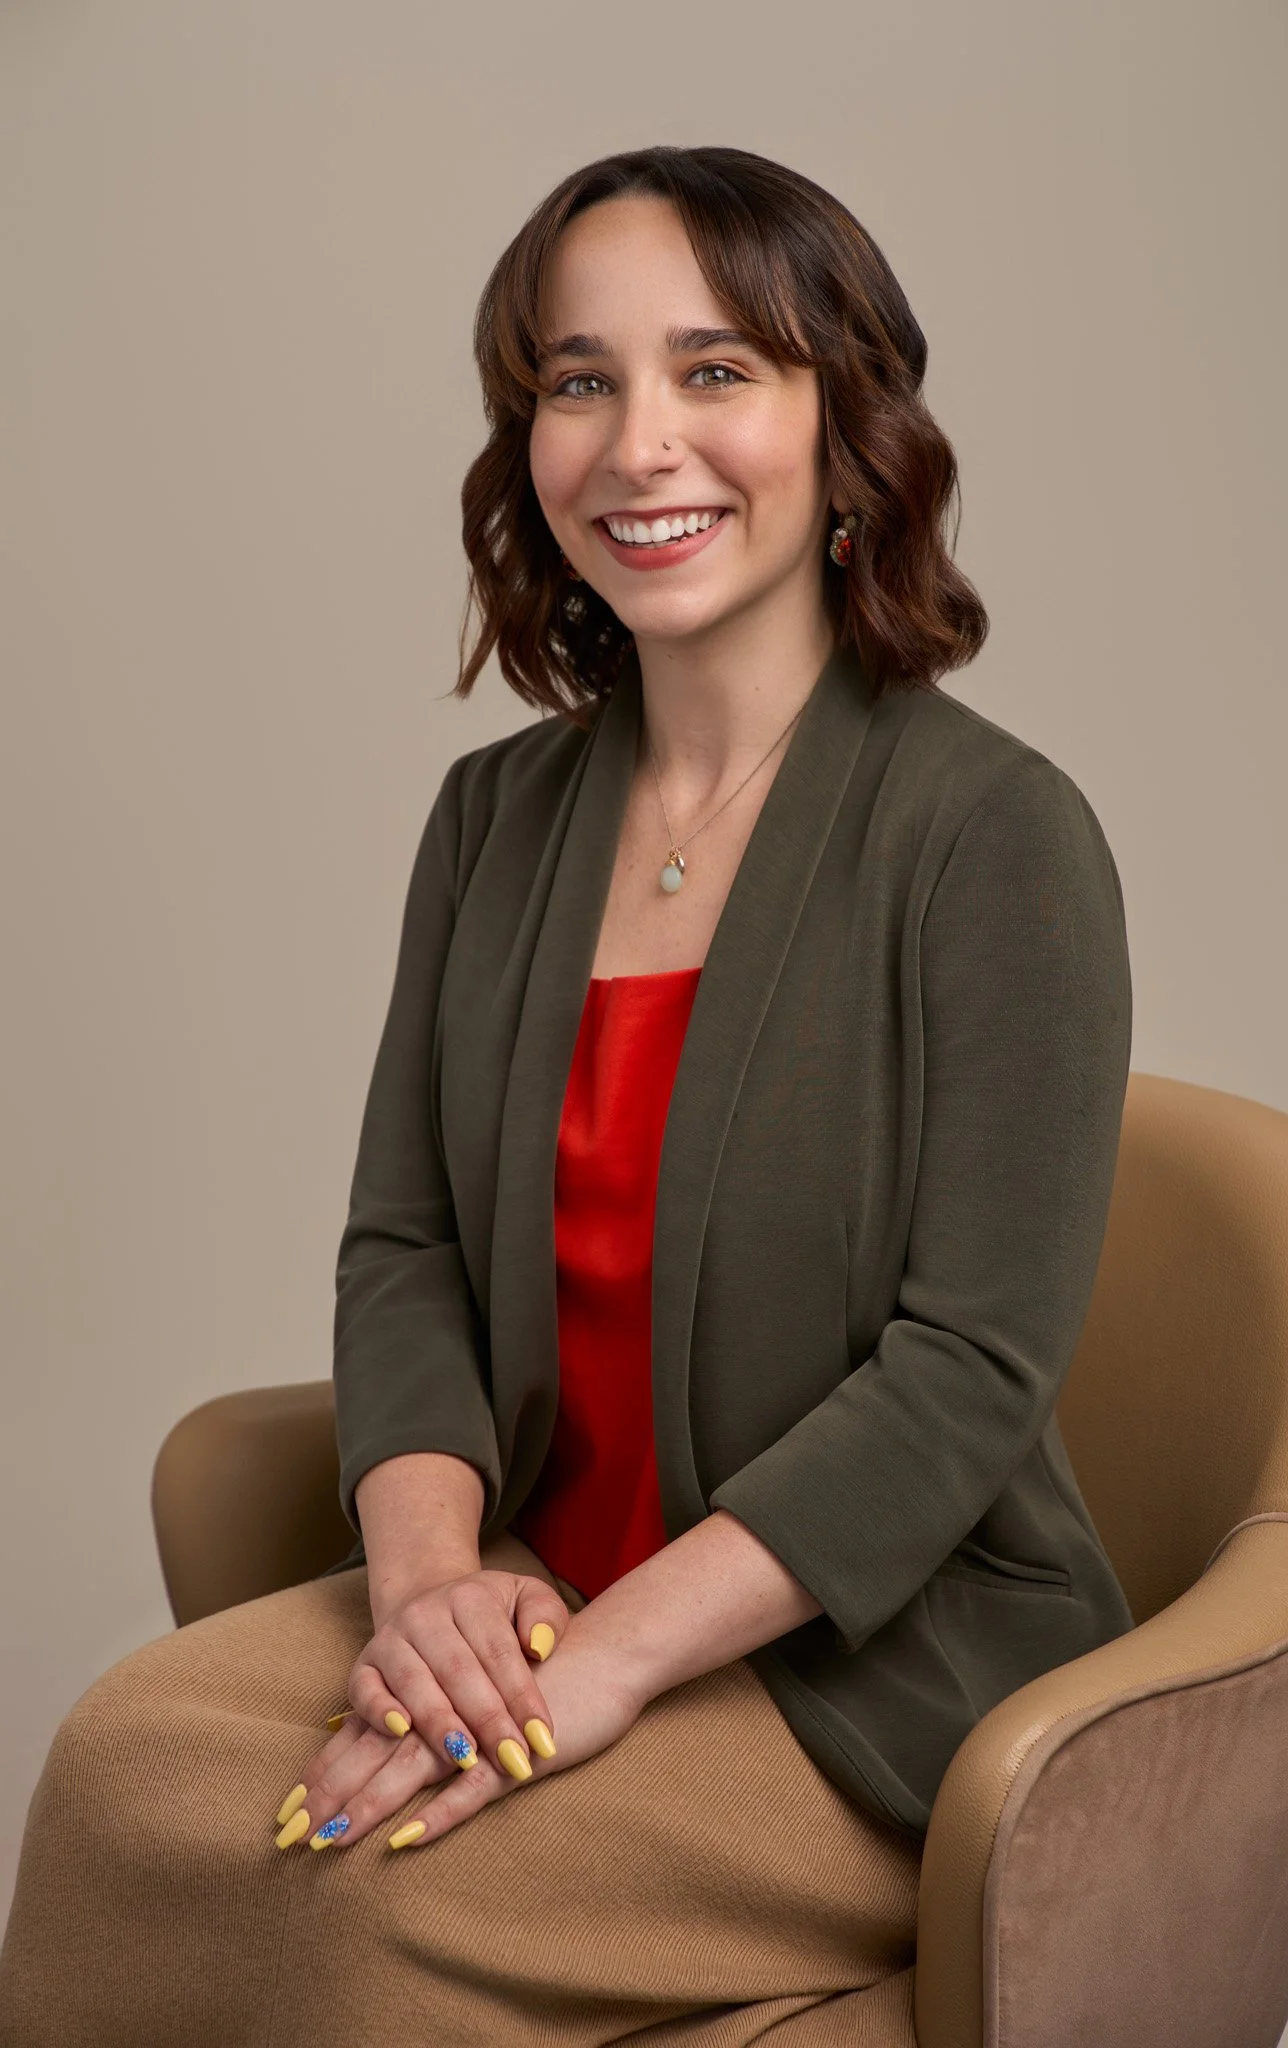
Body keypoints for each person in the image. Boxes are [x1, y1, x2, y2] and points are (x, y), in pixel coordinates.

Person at [0, 144, 1135, 2044]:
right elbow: (408, 1245)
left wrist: (599, 1671)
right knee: (114, 1784)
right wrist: (429, 1588)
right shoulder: (495, 822)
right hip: (524, 1573)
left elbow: (967, 1374)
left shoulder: (994, 833)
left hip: (859, 1665)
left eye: (717, 371)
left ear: (844, 426)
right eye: (579, 380)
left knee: (349, 1918)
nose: (639, 446)